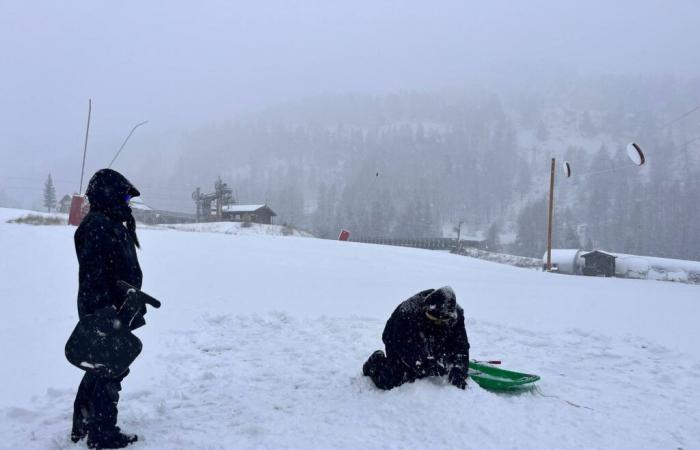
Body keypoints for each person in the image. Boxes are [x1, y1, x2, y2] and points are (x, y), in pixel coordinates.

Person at [71, 169, 144, 449]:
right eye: (124, 195)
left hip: (120, 307)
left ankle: (85, 423)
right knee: (109, 369)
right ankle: (102, 432)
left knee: (101, 367)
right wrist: (104, 310)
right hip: (105, 311)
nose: (127, 201)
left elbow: (115, 270)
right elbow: (93, 273)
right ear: (108, 194)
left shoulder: (111, 222)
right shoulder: (98, 225)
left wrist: (129, 295)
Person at [362, 286, 470, 390]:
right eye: (433, 319)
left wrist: (459, 368)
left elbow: (461, 344)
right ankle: (375, 361)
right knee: (393, 379)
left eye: (440, 321)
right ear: (426, 309)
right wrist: (426, 365)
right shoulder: (407, 314)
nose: (437, 322)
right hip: (396, 338)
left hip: (426, 334)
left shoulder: (455, 315)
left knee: (444, 352)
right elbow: (406, 348)